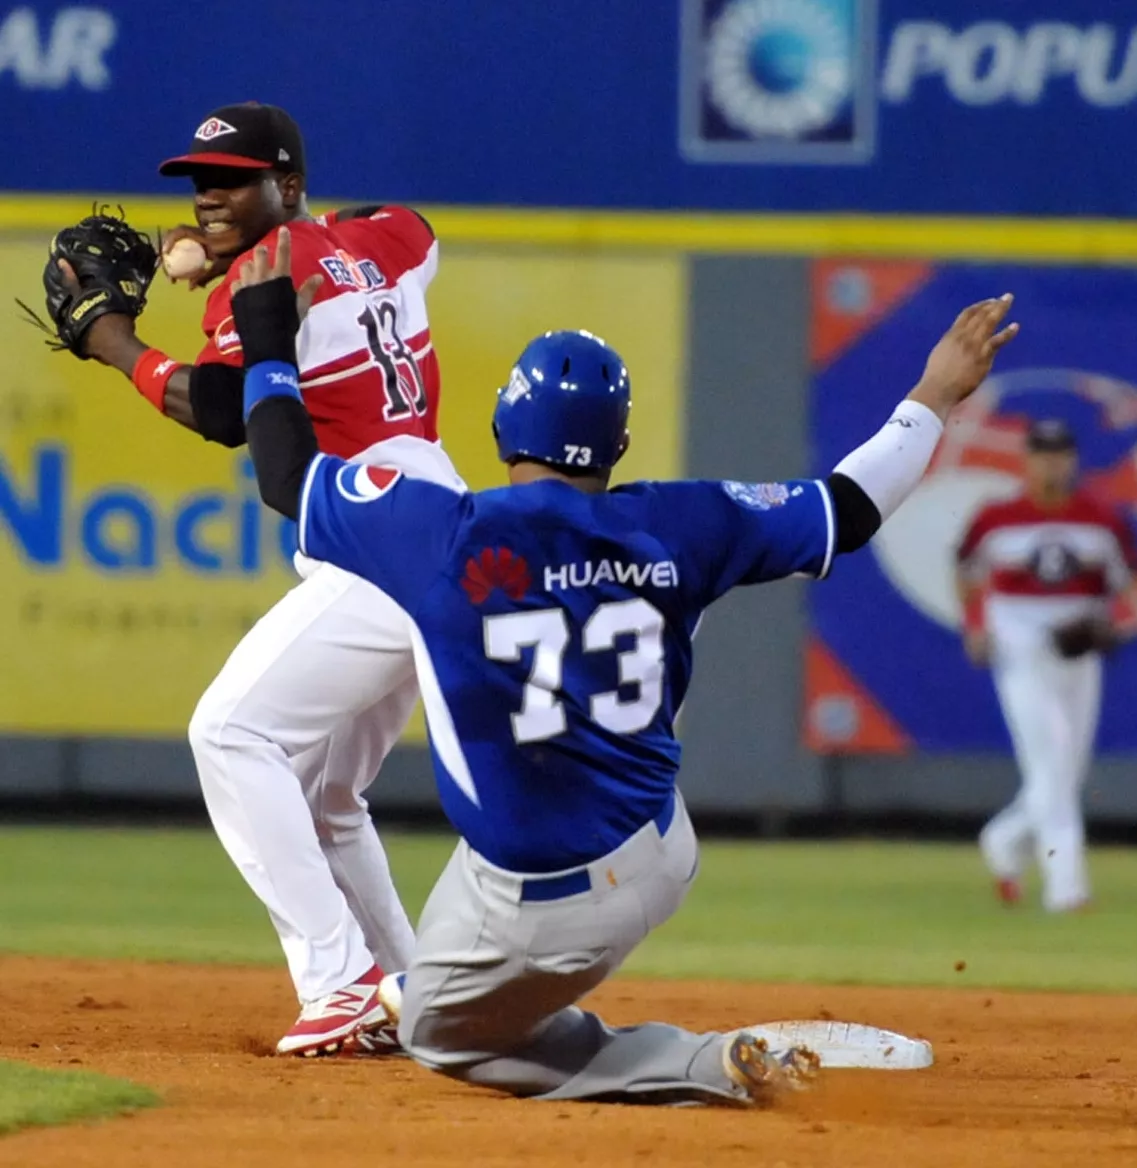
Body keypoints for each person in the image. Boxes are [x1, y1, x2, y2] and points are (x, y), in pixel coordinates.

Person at [230, 232, 1017, 1102]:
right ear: (619, 442)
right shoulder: (683, 522)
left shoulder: (438, 534)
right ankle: (424, 982)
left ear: (498, 427)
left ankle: (689, 1061)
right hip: (655, 851)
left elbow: (285, 473)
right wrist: (934, 392)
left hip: (539, 900)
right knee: (430, 965)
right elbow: (850, 506)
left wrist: (266, 343)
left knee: (437, 1036)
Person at [67, 102, 464, 1055]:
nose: (208, 194)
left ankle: (336, 983)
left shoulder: (254, 281)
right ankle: (415, 997)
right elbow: (408, 221)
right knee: (327, 796)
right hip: (442, 514)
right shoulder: (389, 241)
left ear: (283, 182)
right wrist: (241, 232)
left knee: (230, 733)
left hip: (373, 535)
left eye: (232, 178)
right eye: (199, 180)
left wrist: (111, 339)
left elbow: (220, 409)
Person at [956, 419, 1137, 912]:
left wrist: (1105, 621)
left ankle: (1003, 838)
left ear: (1074, 459)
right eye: (1042, 453)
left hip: (1076, 653)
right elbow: (966, 570)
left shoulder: (1102, 517)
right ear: (1026, 459)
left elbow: (1123, 583)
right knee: (1050, 766)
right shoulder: (997, 517)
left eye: (1060, 453)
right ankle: (1067, 889)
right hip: (1020, 652)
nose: (1051, 462)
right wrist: (975, 625)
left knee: (1065, 772)